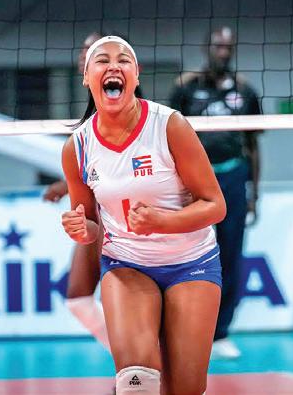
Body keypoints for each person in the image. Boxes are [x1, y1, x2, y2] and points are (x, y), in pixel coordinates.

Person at [60, 35, 226, 395]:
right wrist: (81, 229)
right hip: (126, 264)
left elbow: (215, 205)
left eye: (124, 60)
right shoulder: (78, 147)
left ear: (136, 76)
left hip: (191, 262)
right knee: (137, 382)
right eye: (102, 60)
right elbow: (91, 225)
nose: (113, 66)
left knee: (185, 389)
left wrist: (161, 222)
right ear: (86, 77)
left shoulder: (169, 126)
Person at [169, 26, 261, 360]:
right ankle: (184, 330)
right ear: (206, 47)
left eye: (228, 47)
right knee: (187, 256)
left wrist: (254, 192)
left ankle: (220, 333)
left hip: (234, 177)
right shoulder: (185, 88)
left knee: (230, 256)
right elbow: (169, 141)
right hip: (196, 180)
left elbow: (253, 145)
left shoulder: (245, 91)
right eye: (218, 46)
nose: (223, 51)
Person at [43, 31, 111, 352]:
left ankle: (141, 366)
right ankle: (134, 363)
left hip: (117, 215)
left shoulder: (118, 99)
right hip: (93, 212)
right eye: (82, 51)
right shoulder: (89, 107)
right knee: (78, 300)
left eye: (93, 50)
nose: (84, 55)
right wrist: (66, 184)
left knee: (119, 300)